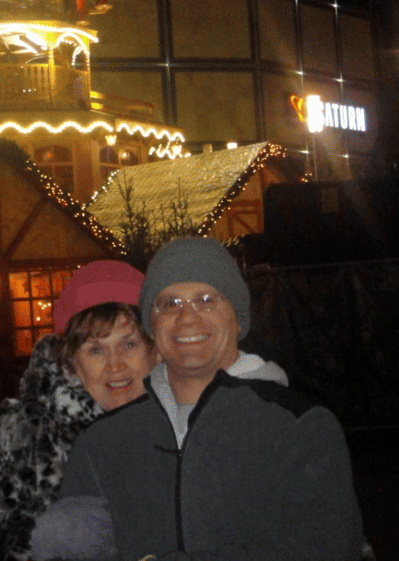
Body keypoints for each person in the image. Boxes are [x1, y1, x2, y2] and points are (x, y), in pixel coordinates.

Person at [31, 237, 364, 561]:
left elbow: (320, 549)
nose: (187, 318)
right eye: (169, 303)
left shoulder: (299, 426)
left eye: (206, 299)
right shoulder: (102, 442)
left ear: (238, 318)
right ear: (152, 325)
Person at [0, 260, 157, 561]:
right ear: (71, 359)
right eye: (95, 350)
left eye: (129, 344)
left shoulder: (177, 418)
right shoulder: (25, 428)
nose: (115, 365)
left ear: (154, 351)